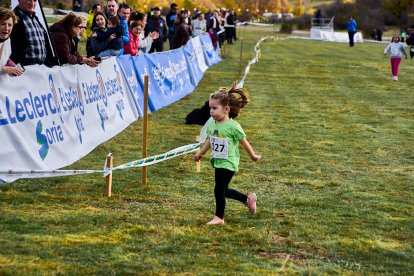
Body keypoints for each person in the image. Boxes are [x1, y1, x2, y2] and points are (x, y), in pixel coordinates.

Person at [193, 84, 261, 225]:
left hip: (229, 162)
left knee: (219, 190)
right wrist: (200, 153)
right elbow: (210, 141)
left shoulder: (233, 127)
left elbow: (244, 142)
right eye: (210, 108)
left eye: (214, 108)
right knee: (223, 190)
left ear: (226, 109)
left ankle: (219, 218)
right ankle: (248, 200)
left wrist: (253, 156)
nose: (210, 111)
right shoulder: (213, 124)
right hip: (218, 161)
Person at [10, 0, 57, 66]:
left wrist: (50, 64)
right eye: (29, 0)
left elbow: (46, 45)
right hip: (25, 68)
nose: (32, 3)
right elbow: (13, 49)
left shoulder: (35, 18)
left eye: (34, 0)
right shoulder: (12, 19)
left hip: (42, 66)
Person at [0, 7, 23, 76]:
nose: (6, 28)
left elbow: (4, 58)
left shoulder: (7, 40)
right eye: (3, 24)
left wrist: (14, 67)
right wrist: (4, 69)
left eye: (10, 25)